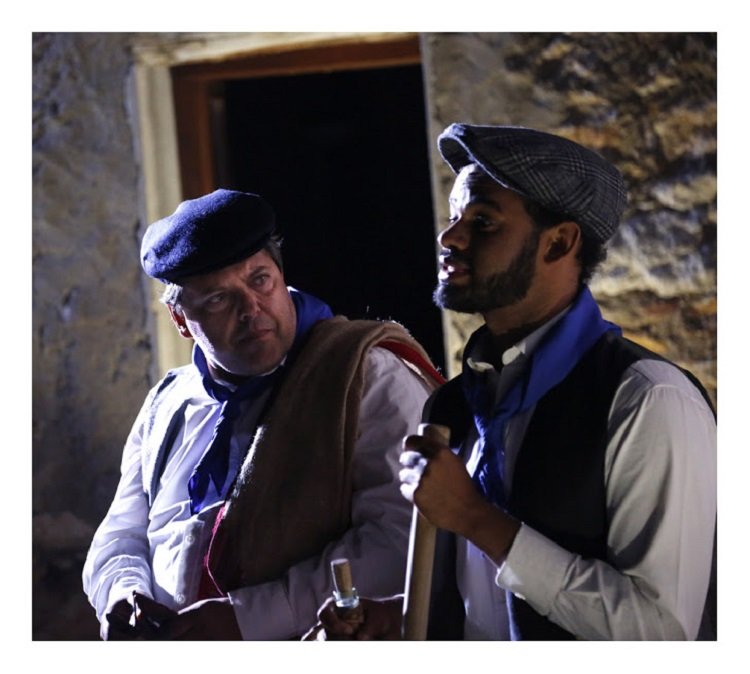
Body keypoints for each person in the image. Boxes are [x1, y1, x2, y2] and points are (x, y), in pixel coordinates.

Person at [309, 123, 717, 641]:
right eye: (454, 217)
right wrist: (399, 618)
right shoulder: (453, 406)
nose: (449, 237)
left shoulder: (647, 398)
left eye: (483, 221)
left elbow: (661, 633)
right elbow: (483, 603)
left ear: (559, 243)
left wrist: (475, 517)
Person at [82, 188, 443, 640]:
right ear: (180, 320)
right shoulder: (168, 402)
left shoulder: (364, 374)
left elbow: (402, 541)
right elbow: (121, 531)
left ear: (281, 274)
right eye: (218, 298)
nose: (251, 309)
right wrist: (122, 593)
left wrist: (246, 618)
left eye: (260, 280)